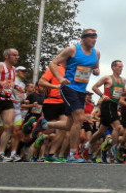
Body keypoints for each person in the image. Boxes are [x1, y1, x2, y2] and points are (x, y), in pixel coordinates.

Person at [31, 29, 101, 163]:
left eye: (95, 37)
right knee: (80, 118)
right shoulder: (72, 50)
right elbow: (53, 63)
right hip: (68, 87)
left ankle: (44, 124)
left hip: (81, 90)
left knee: (70, 124)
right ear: (84, 38)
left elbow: (96, 68)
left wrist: (96, 71)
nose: (94, 39)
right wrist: (59, 78)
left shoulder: (96, 53)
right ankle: (73, 154)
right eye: (91, 37)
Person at [88, 59, 126, 162]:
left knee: (102, 131)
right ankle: (114, 149)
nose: (121, 69)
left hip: (114, 106)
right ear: (113, 67)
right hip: (107, 105)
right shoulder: (107, 78)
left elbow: (121, 94)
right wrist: (102, 95)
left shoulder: (123, 80)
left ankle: (88, 145)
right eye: (119, 67)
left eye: (122, 67)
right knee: (117, 127)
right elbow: (94, 87)